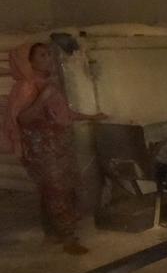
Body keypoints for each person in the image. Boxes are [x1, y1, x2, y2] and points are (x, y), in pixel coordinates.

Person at [1, 42, 106, 254]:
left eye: (49, 54)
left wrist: (91, 116)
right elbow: (23, 118)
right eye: (41, 55)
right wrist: (43, 97)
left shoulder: (48, 84)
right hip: (42, 150)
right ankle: (69, 239)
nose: (48, 58)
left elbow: (63, 114)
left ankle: (52, 234)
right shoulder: (27, 86)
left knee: (55, 190)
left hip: (57, 145)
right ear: (29, 62)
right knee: (57, 191)